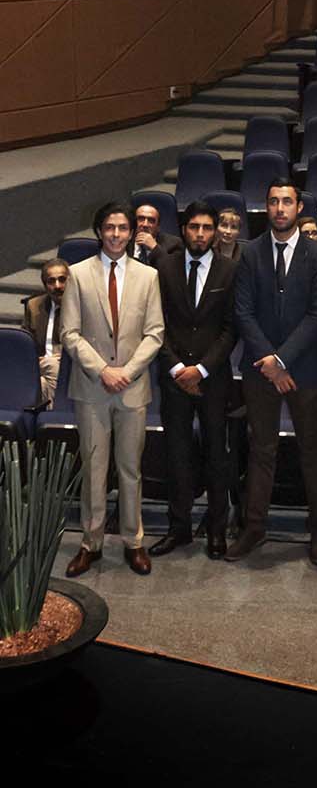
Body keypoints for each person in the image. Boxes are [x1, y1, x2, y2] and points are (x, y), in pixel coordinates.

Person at [232, 180, 317, 565]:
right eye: (274, 201)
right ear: (266, 206)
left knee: (312, 450)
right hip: (259, 369)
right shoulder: (250, 252)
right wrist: (270, 361)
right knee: (261, 449)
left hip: (304, 368)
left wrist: (282, 361)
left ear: (299, 207)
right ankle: (254, 528)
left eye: (287, 202)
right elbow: (243, 311)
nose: (280, 208)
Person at [60, 203, 161, 577]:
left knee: (131, 468)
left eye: (122, 228)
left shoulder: (148, 276)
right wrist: (103, 370)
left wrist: (126, 372)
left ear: (131, 232)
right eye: (109, 227)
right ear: (99, 231)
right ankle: (91, 543)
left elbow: (155, 333)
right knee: (94, 469)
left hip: (131, 388)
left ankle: (134, 542)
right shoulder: (77, 274)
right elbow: (69, 333)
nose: (116, 234)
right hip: (92, 388)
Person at [153, 204, 237, 560]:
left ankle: (217, 530)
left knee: (217, 455)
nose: (200, 234)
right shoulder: (164, 267)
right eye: (193, 227)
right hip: (173, 377)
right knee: (177, 454)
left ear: (215, 231)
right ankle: (179, 528)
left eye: (206, 227)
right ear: (183, 229)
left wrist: (200, 369)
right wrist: (177, 368)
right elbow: (155, 323)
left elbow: (231, 329)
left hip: (213, 379)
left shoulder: (230, 269)